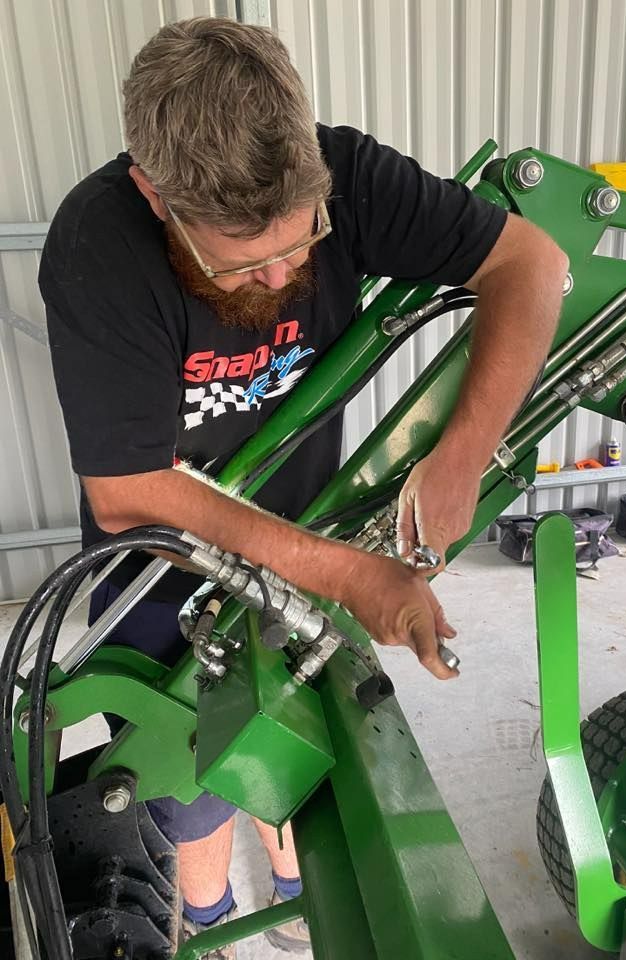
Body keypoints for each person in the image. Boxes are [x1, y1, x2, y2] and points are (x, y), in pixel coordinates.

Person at [39, 17, 568, 959]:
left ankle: (291, 892)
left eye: (303, 241)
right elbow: (129, 494)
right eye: (244, 263)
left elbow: (533, 263)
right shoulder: (98, 247)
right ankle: (208, 920)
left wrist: (461, 457)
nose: (287, 272)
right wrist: (352, 579)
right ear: (155, 196)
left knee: (301, 737)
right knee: (190, 773)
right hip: (163, 570)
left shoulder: (344, 174)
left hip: (306, 529)